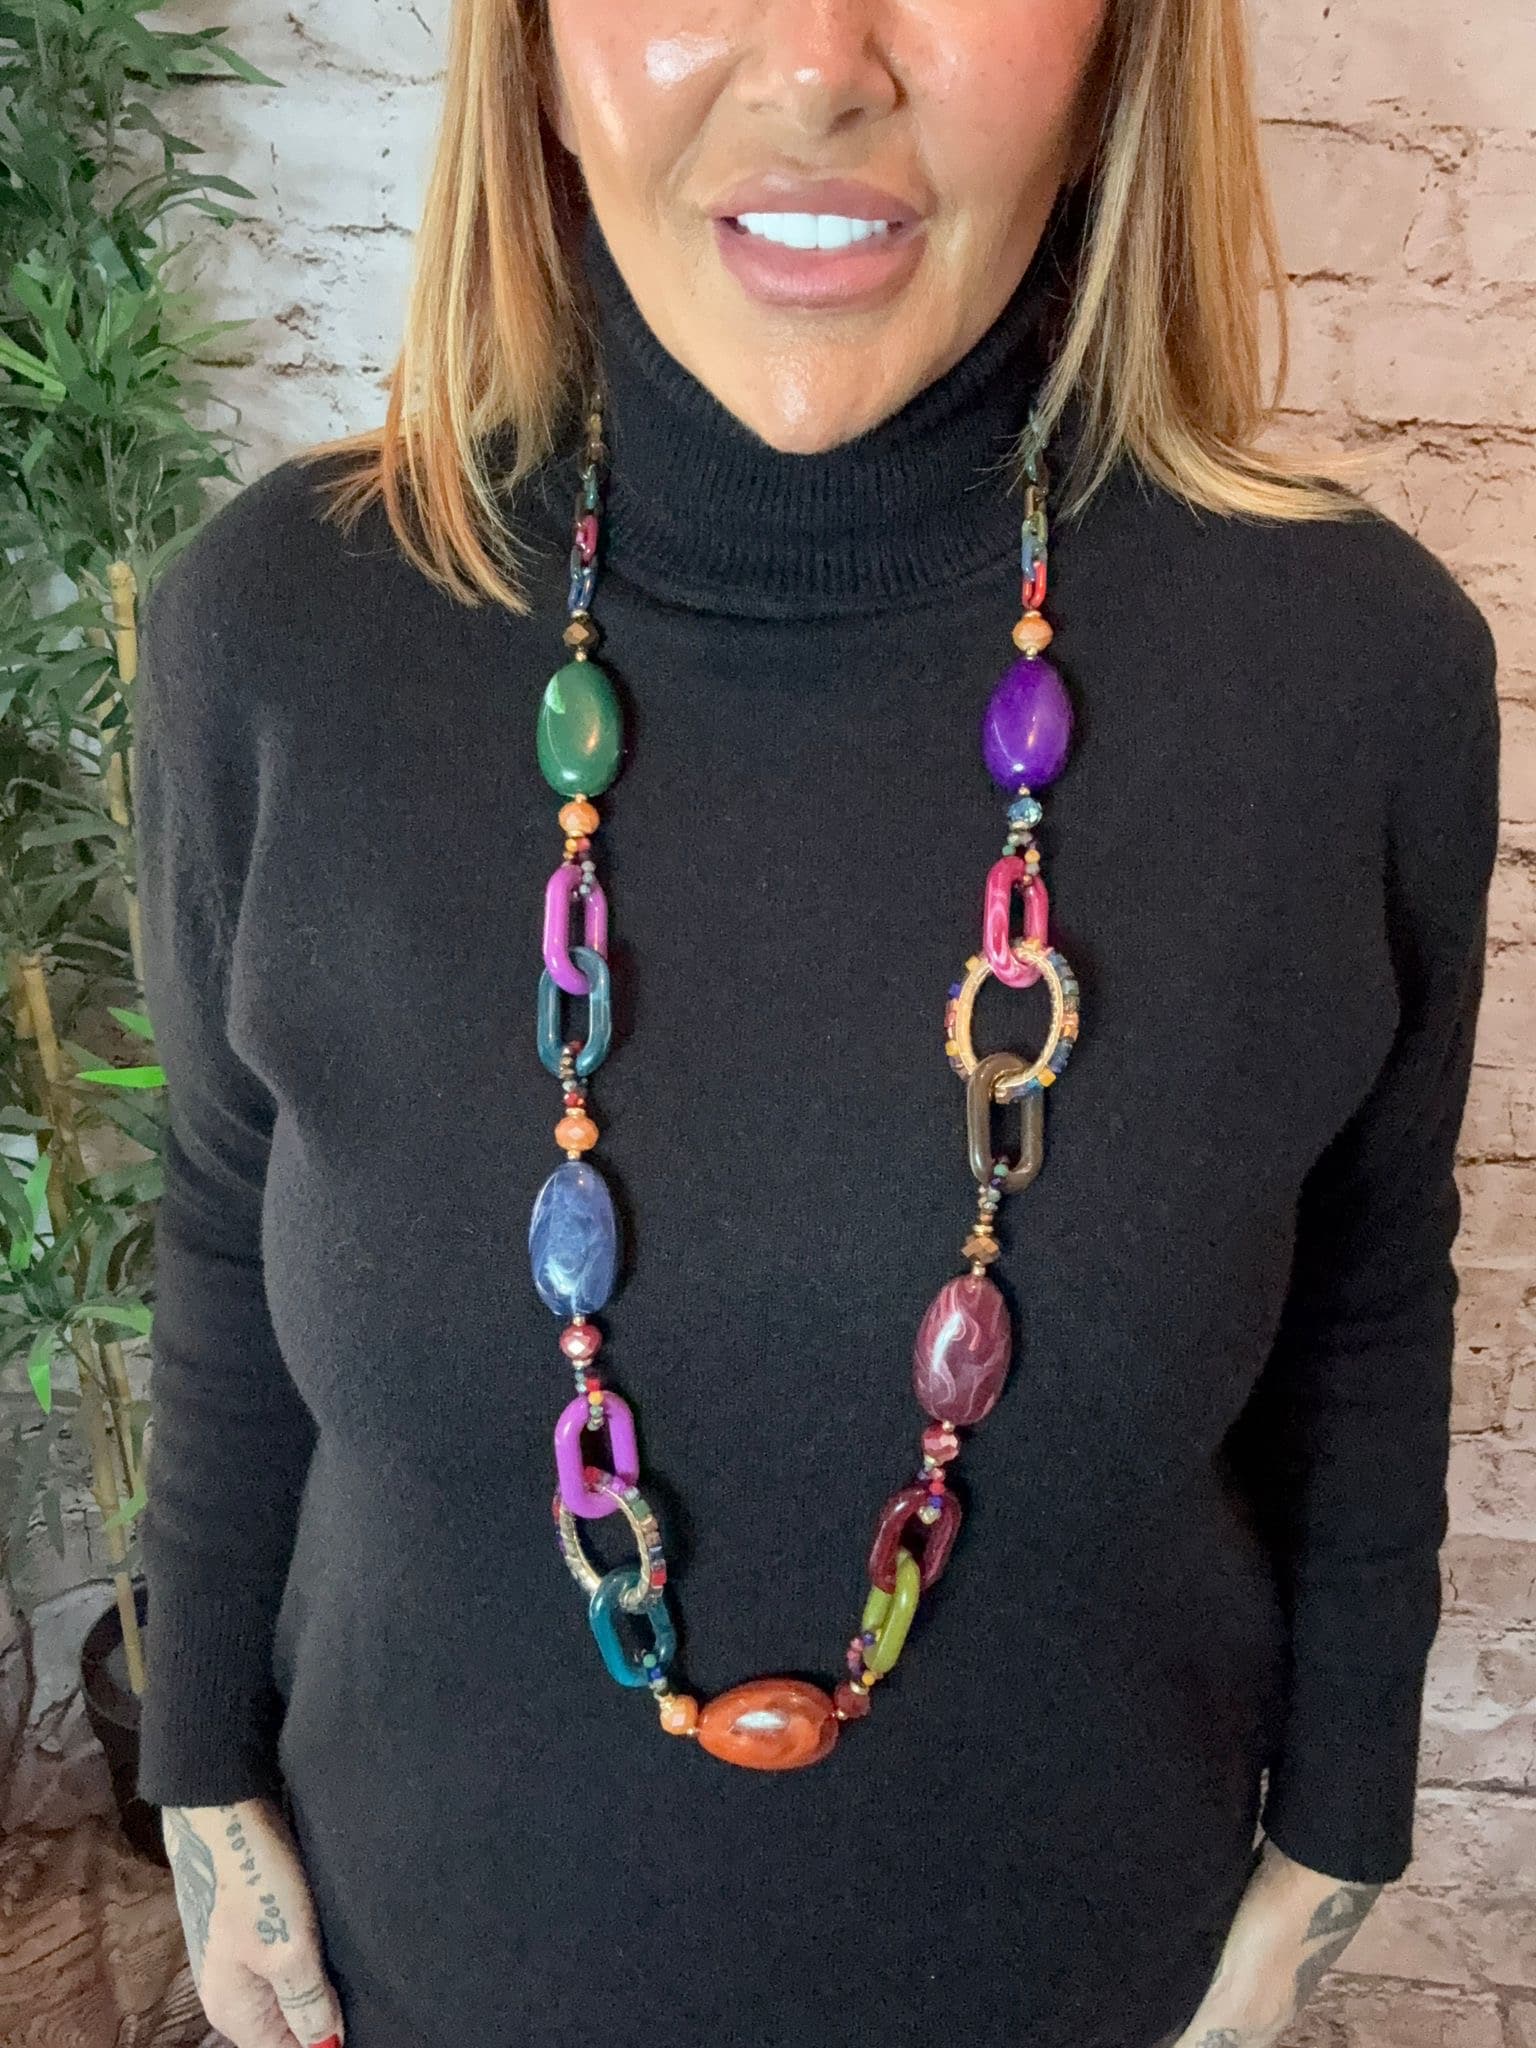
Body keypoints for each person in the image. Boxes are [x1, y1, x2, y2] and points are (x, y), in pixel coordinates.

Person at [129, 2, 1502, 2046]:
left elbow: (1370, 1300)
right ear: (535, 47)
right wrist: (199, 1780)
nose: (816, 68)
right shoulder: (276, 628)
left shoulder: (1355, 675)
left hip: (1092, 1979)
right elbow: (225, 1227)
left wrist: (1335, 1841)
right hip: (416, 1972)